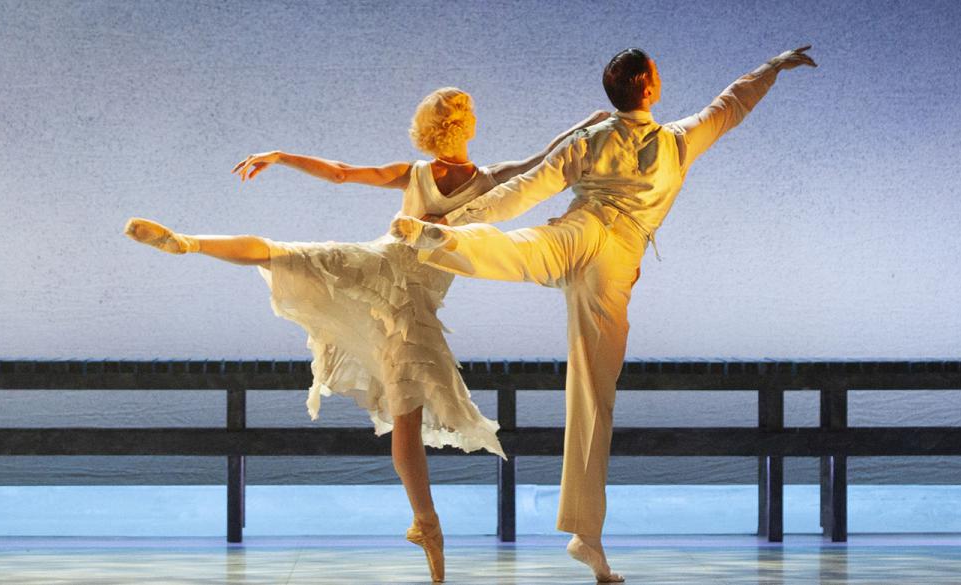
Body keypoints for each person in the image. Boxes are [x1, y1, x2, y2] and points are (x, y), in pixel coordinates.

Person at [124, 87, 609, 583]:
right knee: (405, 419)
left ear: (428, 129)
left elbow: (340, 172)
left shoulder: (415, 173)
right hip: (412, 304)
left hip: (376, 265)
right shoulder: (490, 180)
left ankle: (189, 242)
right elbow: (544, 158)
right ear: (469, 127)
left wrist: (281, 156)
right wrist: (587, 126)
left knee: (287, 253)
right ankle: (428, 527)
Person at [391, 47, 817, 582]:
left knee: (524, 249)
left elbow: (522, 192)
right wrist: (773, 67)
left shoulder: (590, 141)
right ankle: (585, 535)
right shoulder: (679, 142)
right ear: (649, 88)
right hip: (613, 256)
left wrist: (455, 218)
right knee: (594, 391)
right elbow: (731, 104)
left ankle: (442, 240)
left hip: (582, 231)